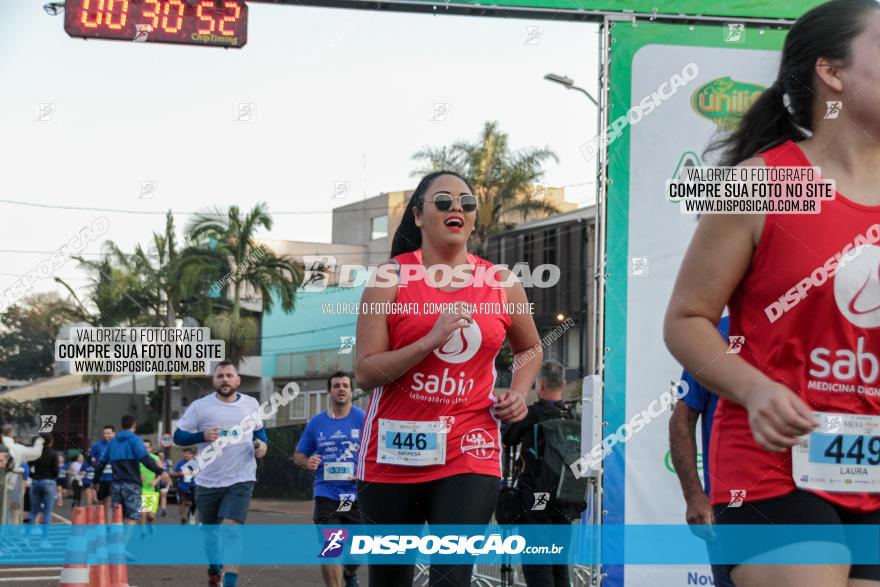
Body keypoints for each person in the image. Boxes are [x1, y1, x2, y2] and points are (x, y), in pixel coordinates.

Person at [664, 2, 880, 585]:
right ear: (832, 73)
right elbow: (686, 319)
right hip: (771, 468)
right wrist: (755, 391)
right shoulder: (765, 182)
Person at [355, 170, 543, 587]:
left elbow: (531, 349)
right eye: (443, 201)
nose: (456, 207)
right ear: (419, 216)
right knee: (389, 580)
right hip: (393, 448)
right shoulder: (390, 278)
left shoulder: (501, 283)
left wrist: (518, 391)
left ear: (473, 219)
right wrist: (430, 340)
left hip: (468, 444)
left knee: (450, 577)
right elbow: (367, 371)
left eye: (467, 202)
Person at [173, 361, 269, 587]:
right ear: (214, 380)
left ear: (237, 380)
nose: (225, 379)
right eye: (220, 376)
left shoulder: (251, 404)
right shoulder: (200, 407)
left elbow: (260, 433)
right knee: (211, 536)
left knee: (232, 532)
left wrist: (262, 446)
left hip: (241, 479)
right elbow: (178, 436)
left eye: (229, 375)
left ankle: (231, 582)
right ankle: (215, 569)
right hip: (207, 481)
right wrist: (202, 435)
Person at [501, 360, 583, 587]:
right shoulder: (574, 418)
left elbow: (507, 437)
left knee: (538, 563)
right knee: (559, 564)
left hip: (538, 498)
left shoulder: (532, 414)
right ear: (564, 384)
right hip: (566, 498)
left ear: (540, 385)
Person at [669, 316, 736, 587]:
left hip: (804, 504)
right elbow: (682, 418)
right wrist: (694, 495)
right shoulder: (718, 334)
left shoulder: (810, 331)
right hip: (729, 509)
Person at [294, 371, 365, 587]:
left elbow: (377, 452)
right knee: (331, 547)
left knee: (355, 553)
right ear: (329, 391)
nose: (341, 389)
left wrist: (362, 472)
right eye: (336, 385)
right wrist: (308, 462)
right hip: (327, 494)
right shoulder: (317, 422)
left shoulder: (362, 418)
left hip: (353, 495)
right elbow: (298, 455)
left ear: (352, 391)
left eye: (345, 385)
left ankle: (350, 574)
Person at [96, 415, 170, 526]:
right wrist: (161, 471)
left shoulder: (113, 442)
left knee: (118, 514)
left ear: (121, 425)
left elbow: (101, 463)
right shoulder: (135, 440)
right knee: (132, 516)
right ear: (134, 425)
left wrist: (95, 480)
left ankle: (117, 539)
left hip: (116, 484)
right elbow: (145, 459)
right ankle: (123, 542)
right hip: (132, 483)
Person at [1, 424, 44, 525]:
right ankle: (11, 533)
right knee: (14, 509)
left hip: (7, 482)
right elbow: (35, 453)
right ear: (11, 433)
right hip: (12, 484)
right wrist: (39, 441)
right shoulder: (16, 448)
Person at [27, 433, 59, 547]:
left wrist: (33, 475)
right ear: (51, 442)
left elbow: (28, 465)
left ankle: (27, 538)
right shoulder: (54, 454)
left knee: (33, 511)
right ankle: (44, 540)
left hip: (36, 482)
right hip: (48, 482)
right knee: (47, 512)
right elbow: (56, 471)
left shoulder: (37, 453)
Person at [89, 425, 116, 520]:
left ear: (113, 434)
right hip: (101, 479)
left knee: (109, 502)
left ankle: (108, 526)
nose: (106, 435)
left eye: (108, 433)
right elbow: (90, 458)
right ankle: (101, 525)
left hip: (113, 479)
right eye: (104, 433)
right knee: (100, 503)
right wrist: (94, 464)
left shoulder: (117, 445)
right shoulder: (97, 445)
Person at [139, 439, 163, 528]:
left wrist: (156, 481)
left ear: (151, 448)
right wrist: (138, 475)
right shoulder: (138, 458)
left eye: (147, 447)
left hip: (151, 488)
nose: (145, 449)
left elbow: (162, 472)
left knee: (150, 516)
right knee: (142, 513)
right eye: (143, 447)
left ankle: (150, 522)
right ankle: (143, 532)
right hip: (140, 488)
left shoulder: (155, 458)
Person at [173, 448, 197, 524]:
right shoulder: (180, 463)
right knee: (182, 502)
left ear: (192, 454)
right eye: (184, 453)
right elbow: (175, 473)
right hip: (182, 486)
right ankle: (183, 517)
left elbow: (195, 473)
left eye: (188, 453)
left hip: (193, 485)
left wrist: (184, 473)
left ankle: (190, 514)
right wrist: (179, 474)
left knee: (191, 503)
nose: (186, 455)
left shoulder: (195, 463)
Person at [157, 450, 172, 517]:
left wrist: (169, 480)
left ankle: (163, 509)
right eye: (160, 456)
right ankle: (151, 510)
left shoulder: (167, 462)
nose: (161, 457)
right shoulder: (154, 462)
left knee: (163, 495)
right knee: (157, 496)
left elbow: (169, 472)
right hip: (155, 482)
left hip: (164, 482)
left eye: (162, 456)